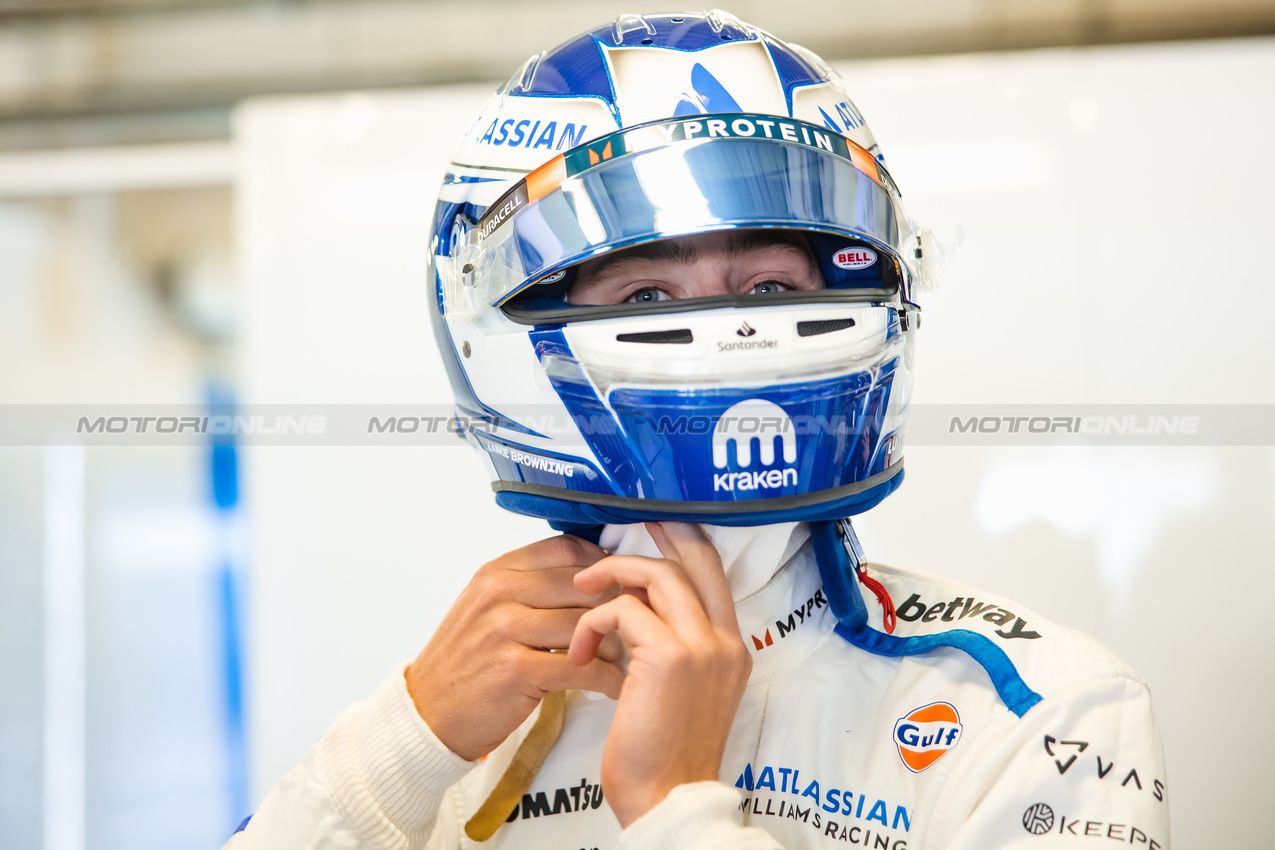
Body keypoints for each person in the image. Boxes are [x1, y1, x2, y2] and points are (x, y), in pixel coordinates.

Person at [225, 11, 1170, 849]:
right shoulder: (466, 706)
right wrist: (401, 744)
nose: (732, 333)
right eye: (645, 295)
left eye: (768, 286)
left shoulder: (1045, 711)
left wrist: (677, 809)